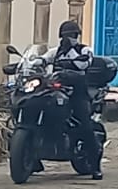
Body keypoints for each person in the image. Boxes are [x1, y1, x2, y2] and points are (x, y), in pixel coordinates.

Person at [42, 20, 104, 180]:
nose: (69, 39)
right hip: (56, 90)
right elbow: (42, 59)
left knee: (84, 125)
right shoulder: (55, 52)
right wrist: (31, 63)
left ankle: (95, 166)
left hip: (77, 93)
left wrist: (70, 51)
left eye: (73, 36)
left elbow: (83, 63)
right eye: (66, 36)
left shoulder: (84, 50)